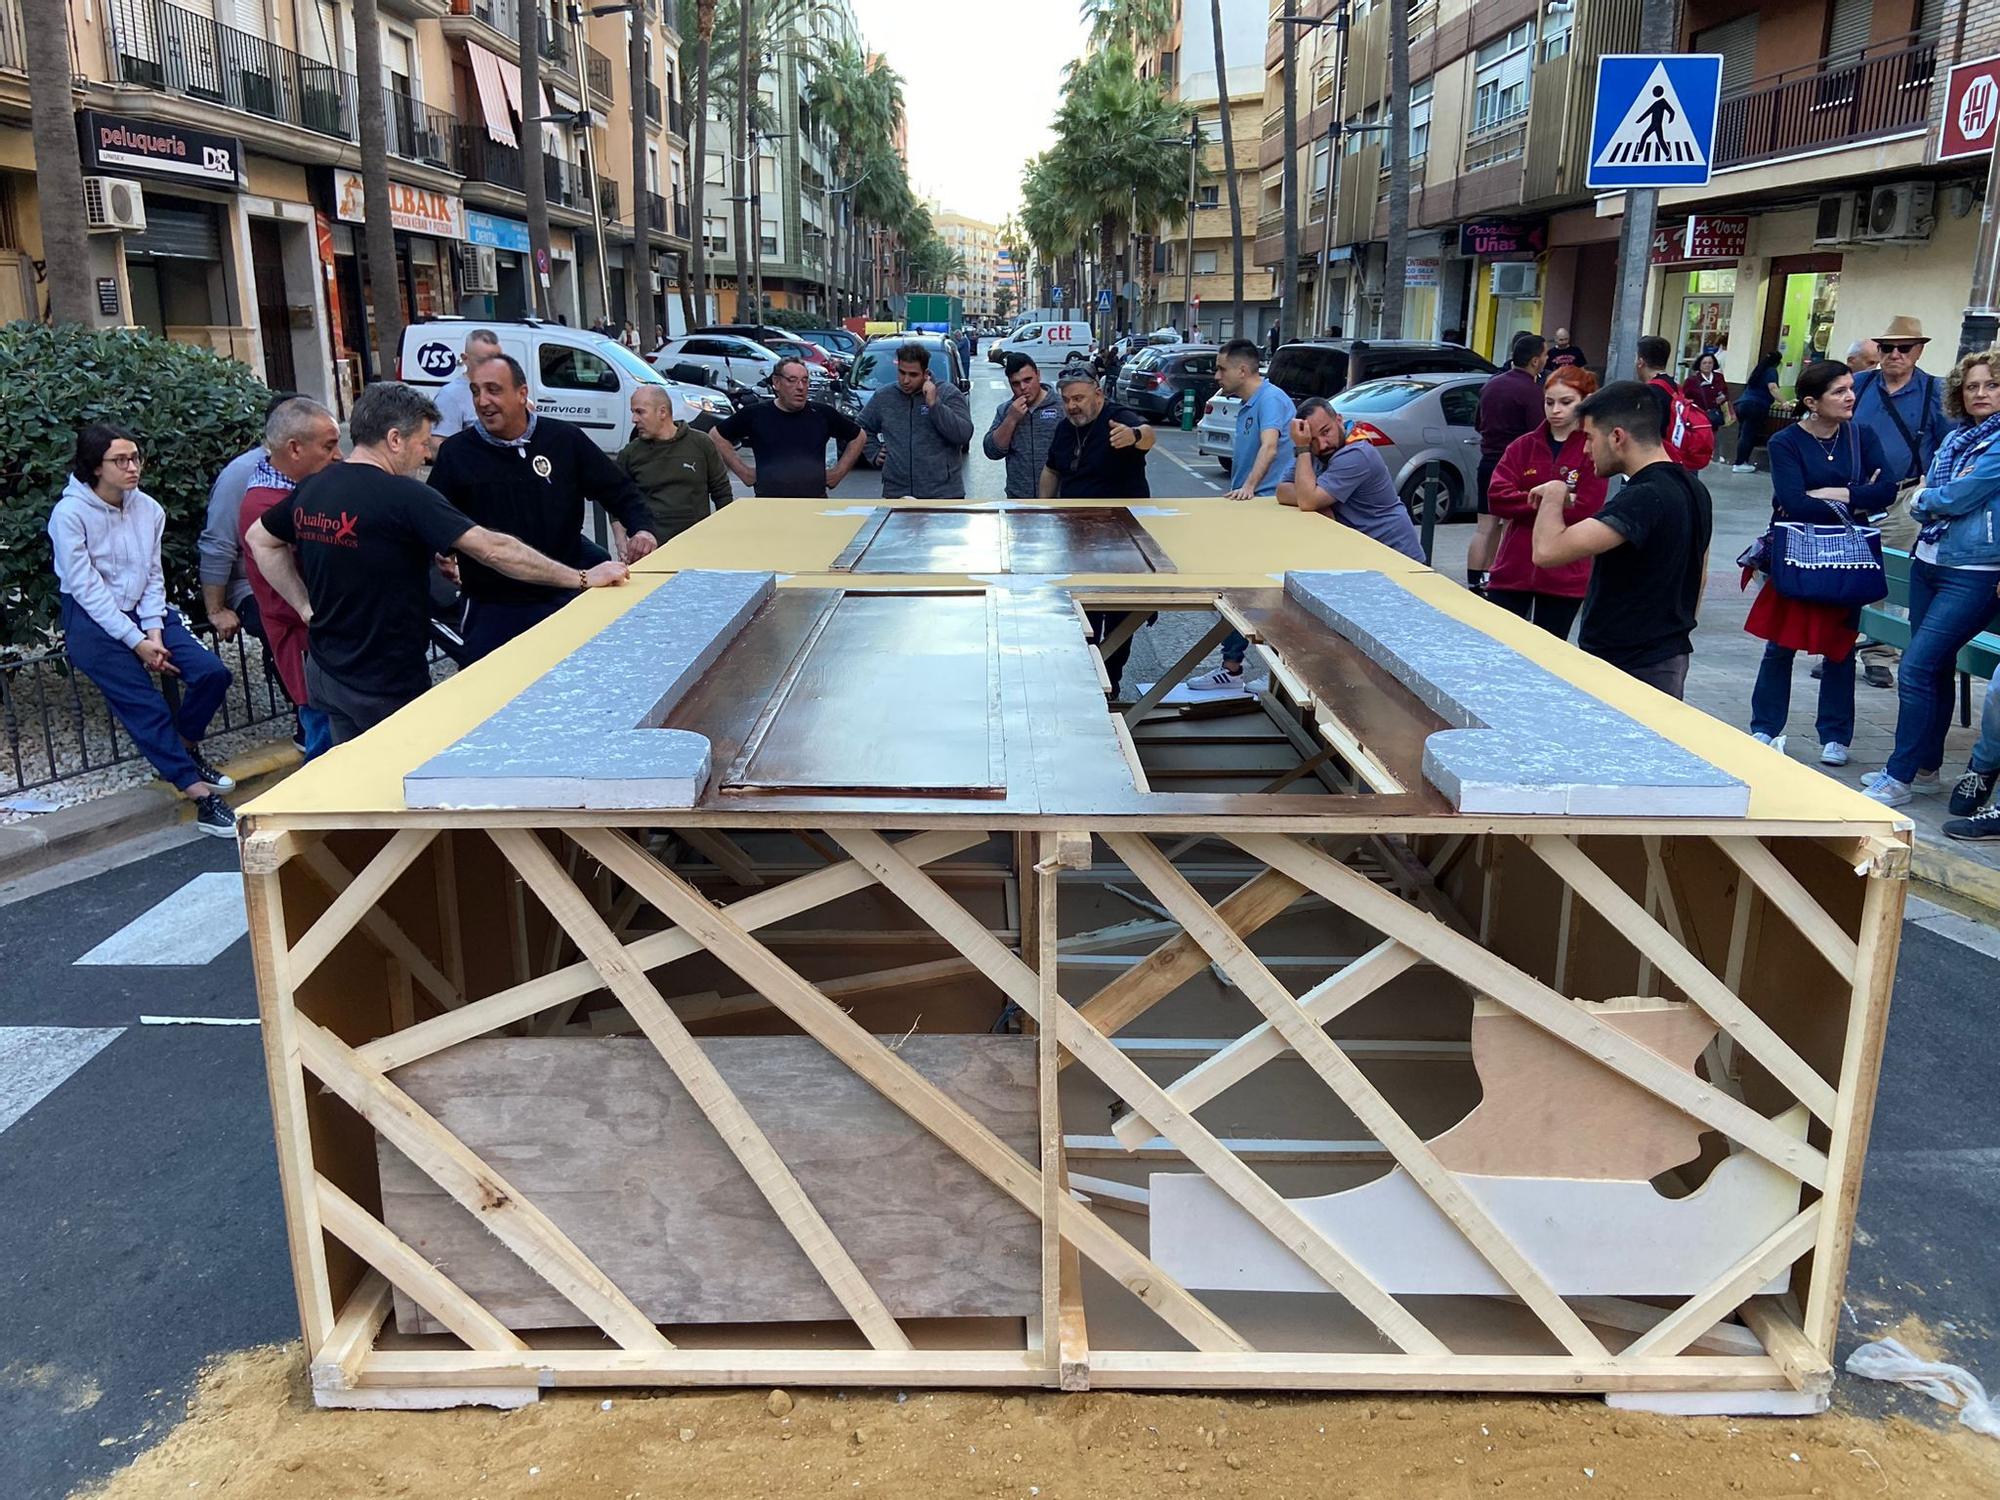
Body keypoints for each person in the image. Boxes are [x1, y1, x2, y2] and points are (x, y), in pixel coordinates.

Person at [247, 383, 631, 744]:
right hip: (383, 679)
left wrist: (304, 607)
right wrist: (580, 576)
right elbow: (493, 548)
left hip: (327, 671)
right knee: (405, 788)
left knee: (353, 792)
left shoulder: (315, 487)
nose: (427, 454)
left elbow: (260, 539)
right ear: (394, 439)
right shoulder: (404, 495)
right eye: (421, 442)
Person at [50, 424, 237, 837]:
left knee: (211, 673)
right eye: (121, 460)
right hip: (91, 619)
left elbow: (153, 576)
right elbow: (86, 589)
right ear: (94, 467)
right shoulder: (69, 515)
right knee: (144, 706)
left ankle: (185, 750)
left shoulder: (148, 509)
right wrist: (135, 642)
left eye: (136, 457)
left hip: (144, 610)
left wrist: (153, 632)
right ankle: (200, 797)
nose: (133, 467)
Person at [427, 353, 659, 662]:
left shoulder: (564, 440)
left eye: (493, 390)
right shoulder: (456, 454)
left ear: (522, 394)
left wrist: (642, 529)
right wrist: (443, 553)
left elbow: (620, 491)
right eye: (475, 391)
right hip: (493, 609)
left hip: (564, 596)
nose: (482, 401)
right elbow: (434, 520)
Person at [1861, 350, 2000, 807]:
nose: (1980, 393)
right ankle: (1925, 770)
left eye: (1991, 385)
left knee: (1917, 666)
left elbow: (1964, 494)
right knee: (1935, 668)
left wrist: (1922, 501)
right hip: (1929, 561)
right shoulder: (1959, 436)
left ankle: (1898, 775)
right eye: (1972, 386)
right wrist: (1933, 497)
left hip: (1974, 571)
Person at [1744, 360, 1895, 768]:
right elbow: (1792, 501)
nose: (1850, 397)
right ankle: (1766, 725)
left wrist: (1833, 492)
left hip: (1846, 557)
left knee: (1840, 646)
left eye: (1850, 388)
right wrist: (1854, 494)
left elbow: (1884, 491)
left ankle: (1835, 734)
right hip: (1796, 554)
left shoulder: (1860, 435)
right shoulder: (1786, 442)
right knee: (1781, 644)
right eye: (1839, 391)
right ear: (1812, 402)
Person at [1530, 380, 1713, 699]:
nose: (1586, 450)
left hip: (1629, 666)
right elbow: (1702, 575)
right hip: (1666, 657)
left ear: (1617, 437)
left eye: (1589, 438)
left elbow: (1547, 551)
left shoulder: (1643, 498)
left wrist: (1554, 493)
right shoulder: (1694, 489)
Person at [237, 397, 344, 759]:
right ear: (294, 449)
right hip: (303, 640)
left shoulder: (291, 491)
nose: (339, 455)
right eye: (329, 446)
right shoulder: (265, 506)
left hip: (318, 638)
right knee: (322, 738)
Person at [1040, 366, 1156, 690]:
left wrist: (1132, 436)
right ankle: (1086, 684)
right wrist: (1041, 510)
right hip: (1077, 540)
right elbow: (1051, 470)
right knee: (1082, 618)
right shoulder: (1066, 428)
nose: (1072, 405)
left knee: (1120, 619)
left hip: (1122, 543)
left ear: (1098, 393)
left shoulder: (1118, 417)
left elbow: (1148, 435)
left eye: (1078, 398)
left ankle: (1111, 685)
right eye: (1066, 400)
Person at [1483, 366, 1606, 639]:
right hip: (1512, 570)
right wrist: (1556, 499)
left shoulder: (1591, 449)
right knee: (1497, 646)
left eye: (1566, 402)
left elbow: (1588, 507)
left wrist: (1533, 499)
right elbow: (1497, 498)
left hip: (1565, 575)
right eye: (1549, 402)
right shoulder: (1523, 446)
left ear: (1585, 402)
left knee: (1549, 653)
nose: (1556, 411)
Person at [1275, 396, 1426, 562]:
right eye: (1313, 440)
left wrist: (1303, 449)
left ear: (1339, 420)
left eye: (1326, 432)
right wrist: (1317, 502)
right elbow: (1282, 491)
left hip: (1397, 556)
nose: (1323, 444)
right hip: (1366, 552)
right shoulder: (1310, 450)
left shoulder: (1356, 453)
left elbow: (1308, 501)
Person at [709, 356, 866, 497]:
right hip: (769, 504)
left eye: (805, 380)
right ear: (776, 383)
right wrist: (744, 473)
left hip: (814, 504)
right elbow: (716, 435)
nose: (800, 387)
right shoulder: (756, 414)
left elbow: (859, 436)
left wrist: (838, 473)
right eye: (792, 380)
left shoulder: (822, 413)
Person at [1469, 332, 1548, 593]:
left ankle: (1474, 581)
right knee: (1509, 526)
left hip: (1488, 460)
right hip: (1516, 466)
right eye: (1545, 355)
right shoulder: (1533, 392)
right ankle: (1495, 577)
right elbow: (1539, 432)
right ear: (1536, 361)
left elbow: (1478, 423)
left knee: (1485, 527)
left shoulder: (1491, 384)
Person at [616, 384, 733, 544]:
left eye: (640, 412)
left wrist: (725, 536)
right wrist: (621, 541)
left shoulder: (701, 443)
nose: (634, 419)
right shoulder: (630, 453)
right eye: (633, 412)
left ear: (662, 412)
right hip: (652, 547)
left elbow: (722, 493)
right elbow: (618, 501)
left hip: (697, 543)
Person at [858, 341, 974, 499]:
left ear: (926, 373)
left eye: (913, 375)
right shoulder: (884, 396)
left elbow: (963, 434)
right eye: (901, 372)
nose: (905, 380)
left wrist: (935, 405)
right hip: (897, 493)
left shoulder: (948, 393)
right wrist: (874, 452)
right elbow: (860, 427)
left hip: (943, 494)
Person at [1220, 338, 1295, 502]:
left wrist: (1248, 487)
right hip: (1248, 498)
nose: (1217, 376)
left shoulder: (1270, 399)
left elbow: (1269, 447)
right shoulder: (1249, 402)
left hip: (1265, 501)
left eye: (1222, 370)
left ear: (1242, 371)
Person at [984, 353, 1064, 499]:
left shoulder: (1062, 406)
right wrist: (1011, 419)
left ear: (1038, 375)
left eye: (1028, 380)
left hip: (1058, 499)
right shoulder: (1006, 410)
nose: (1023, 387)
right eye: (1015, 383)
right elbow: (992, 451)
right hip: (1018, 500)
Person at [1636, 334, 1715, 470]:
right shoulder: (1674, 386)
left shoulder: (1649, 393)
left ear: (1641, 362)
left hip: (1661, 464)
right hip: (1680, 460)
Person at [431, 328, 502, 441]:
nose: (491, 366)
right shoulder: (450, 396)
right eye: (482, 360)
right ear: (465, 359)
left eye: (496, 360)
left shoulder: (506, 388)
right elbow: (437, 444)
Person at [1730, 349, 1783, 474]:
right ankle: (1740, 463)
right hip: (1755, 406)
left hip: (1742, 404)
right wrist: (1784, 402)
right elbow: (1773, 388)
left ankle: (1740, 461)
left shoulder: (1759, 370)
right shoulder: (1771, 371)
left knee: (1743, 434)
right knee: (1748, 434)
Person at [1681, 351, 1729, 437]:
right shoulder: (1692, 380)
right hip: (1698, 415)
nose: (1707, 365)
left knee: (1712, 438)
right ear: (1699, 365)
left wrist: (1723, 398)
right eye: (1704, 363)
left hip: (1714, 414)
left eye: (1710, 363)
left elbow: (1725, 392)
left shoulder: (1719, 377)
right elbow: (1684, 397)